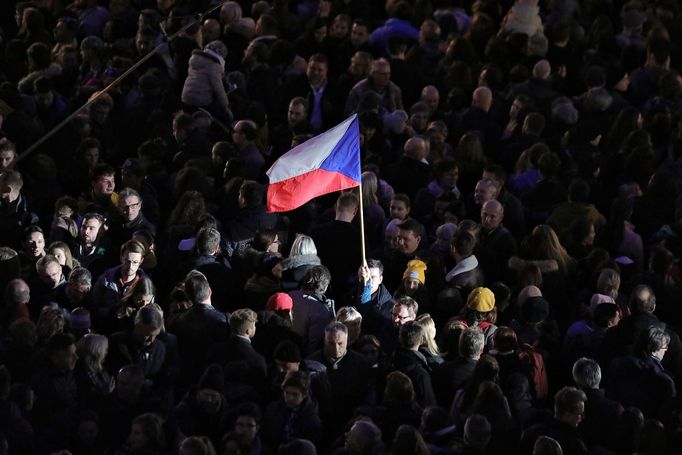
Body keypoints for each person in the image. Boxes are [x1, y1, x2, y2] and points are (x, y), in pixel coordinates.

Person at [307, 321, 370, 432]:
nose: (336, 349)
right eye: (331, 343)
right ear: (324, 341)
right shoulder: (312, 363)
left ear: (348, 340)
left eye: (340, 343)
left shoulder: (361, 363)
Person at [520, 387, 588, 455]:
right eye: (580, 414)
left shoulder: (530, 433)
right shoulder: (575, 444)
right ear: (567, 414)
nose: (582, 418)